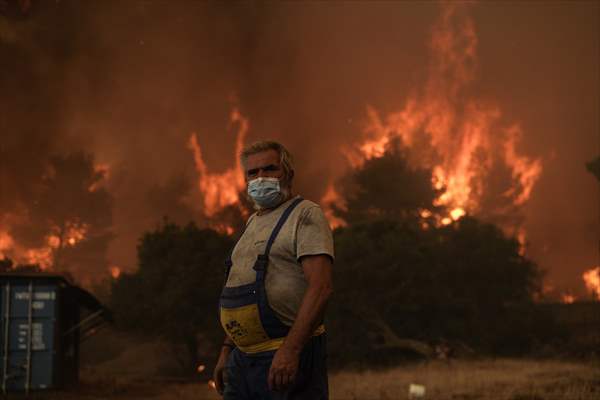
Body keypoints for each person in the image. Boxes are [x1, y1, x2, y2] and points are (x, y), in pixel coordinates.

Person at [212, 140, 334, 400]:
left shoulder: (304, 214)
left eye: (269, 169)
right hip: (242, 360)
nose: (260, 178)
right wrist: (227, 350)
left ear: (288, 173)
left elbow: (321, 288)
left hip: (283, 355)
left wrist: (291, 350)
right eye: (252, 173)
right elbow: (240, 284)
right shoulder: (252, 223)